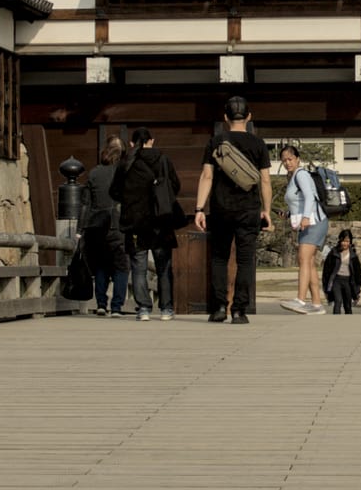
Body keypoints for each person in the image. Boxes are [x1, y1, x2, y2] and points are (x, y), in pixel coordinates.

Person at [193, 96, 270, 324]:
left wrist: (199, 208)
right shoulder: (258, 144)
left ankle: (218, 308)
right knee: (245, 260)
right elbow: (265, 181)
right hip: (249, 210)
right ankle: (239, 310)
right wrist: (266, 210)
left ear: (225, 118)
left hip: (221, 208)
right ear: (248, 117)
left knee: (219, 258)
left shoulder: (216, 142)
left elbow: (206, 176)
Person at [115, 126, 180, 321]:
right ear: (152, 141)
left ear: (132, 144)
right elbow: (175, 185)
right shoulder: (163, 160)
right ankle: (166, 308)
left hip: (136, 221)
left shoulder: (126, 163)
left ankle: (143, 308)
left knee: (138, 266)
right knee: (163, 266)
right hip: (161, 220)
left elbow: (115, 191)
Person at [278, 143, 328, 314]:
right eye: (284, 160)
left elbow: (309, 197)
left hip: (314, 222)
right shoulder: (292, 178)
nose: (287, 163)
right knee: (310, 263)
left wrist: (306, 217)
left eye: (290, 159)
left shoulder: (301, 174)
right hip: (308, 223)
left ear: (298, 159)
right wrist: (289, 214)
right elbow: (299, 202)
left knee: (303, 259)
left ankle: (300, 299)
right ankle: (316, 304)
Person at [83, 136, 128, 316]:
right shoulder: (125, 173)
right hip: (119, 225)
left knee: (101, 265)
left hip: (97, 225)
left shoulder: (94, 173)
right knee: (121, 266)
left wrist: (81, 230)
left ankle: (101, 303)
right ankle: (116, 306)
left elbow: (87, 204)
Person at [321, 229, 361, 315]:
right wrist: (325, 288)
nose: (345, 243)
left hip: (348, 281)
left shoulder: (353, 255)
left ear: (350, 242)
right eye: (343, 241)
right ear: (340, 240)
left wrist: (357, 290)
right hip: (336, 280)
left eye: (347, 241)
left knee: (348, 305)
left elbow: (358, 273)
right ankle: (335, 323)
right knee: (338, 301)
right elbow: (326, 270)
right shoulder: (333, 253)